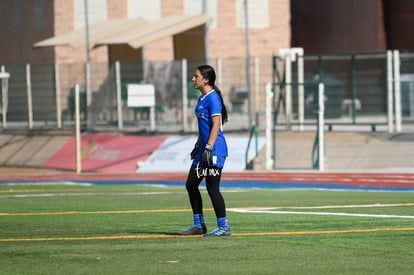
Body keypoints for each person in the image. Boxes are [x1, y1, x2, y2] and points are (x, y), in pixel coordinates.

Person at [180, 64, 231, 237]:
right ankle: (198, 225)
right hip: (203, 149)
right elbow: (204, 127)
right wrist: (198, 145)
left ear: (206, 79)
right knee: (191, 185)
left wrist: (209, 147)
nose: (193, 79)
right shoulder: (201, 98)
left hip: (214, 150)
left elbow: (216, 124)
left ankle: (224, 227)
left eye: (196, 76)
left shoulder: (213, 98)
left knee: (212, 188)